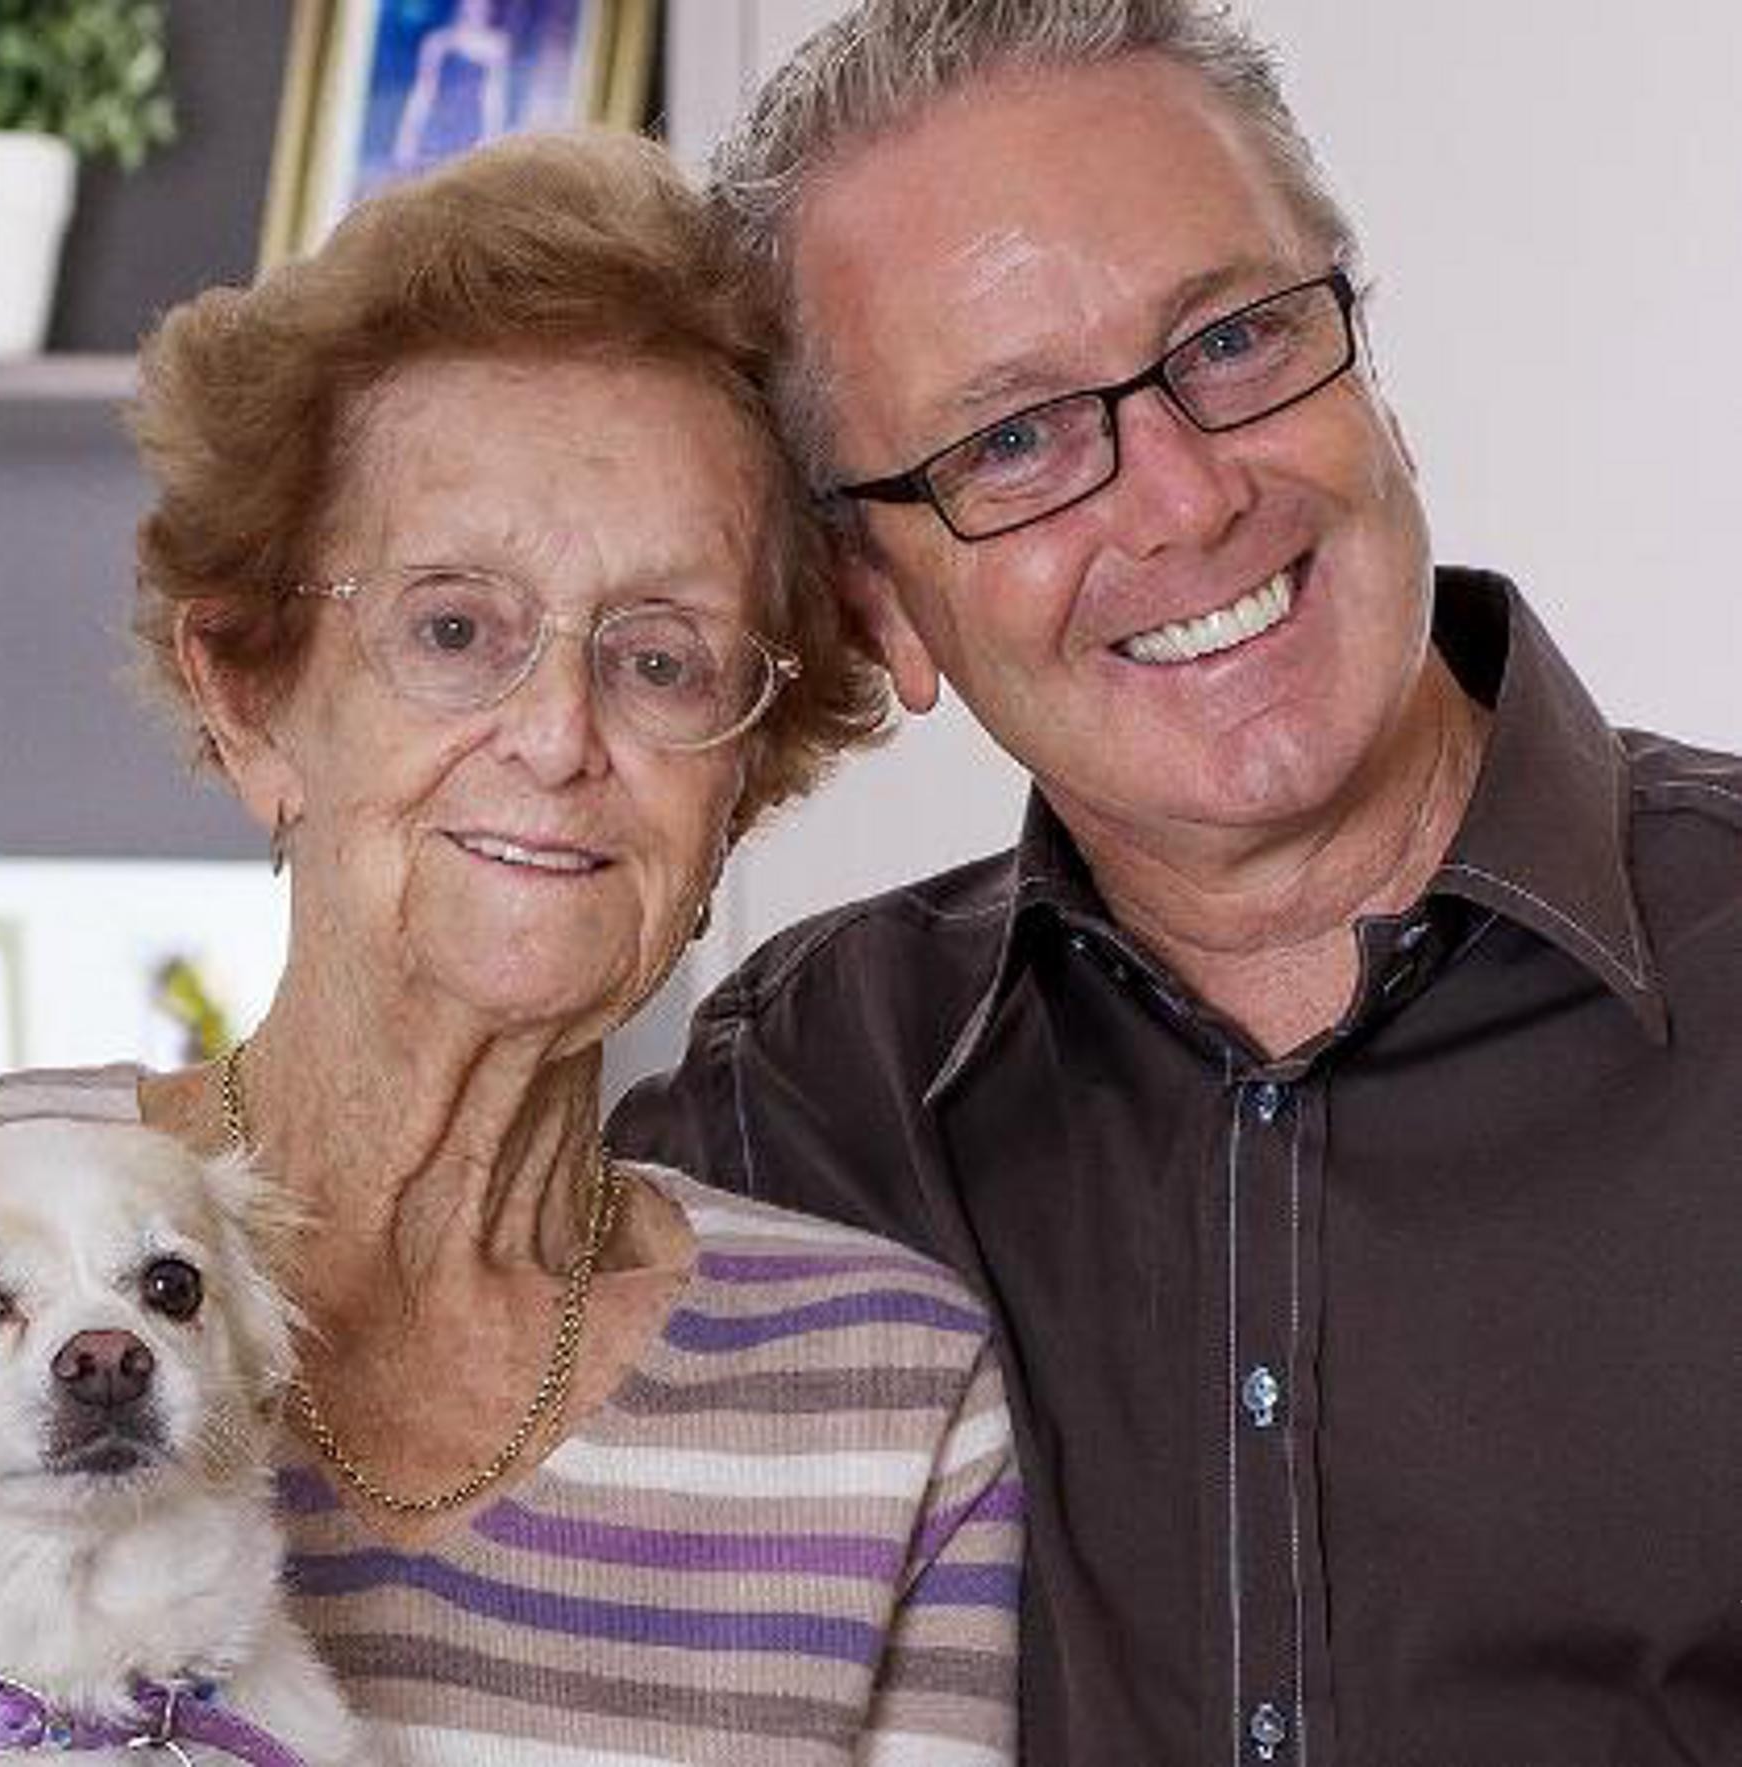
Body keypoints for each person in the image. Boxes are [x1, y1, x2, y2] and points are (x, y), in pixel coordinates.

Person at [0, 131, 1023, 1764]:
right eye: (452, 630)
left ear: (749, 772)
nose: (556, 737)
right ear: (250, 697)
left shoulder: (881, 1397)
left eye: (663, 659)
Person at [592, 2, 1742, 1763]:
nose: (1187, 499)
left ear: (1370, 369)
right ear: (880, 605)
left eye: (1233, 338)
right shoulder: (798, 1112)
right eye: (1015, 442)